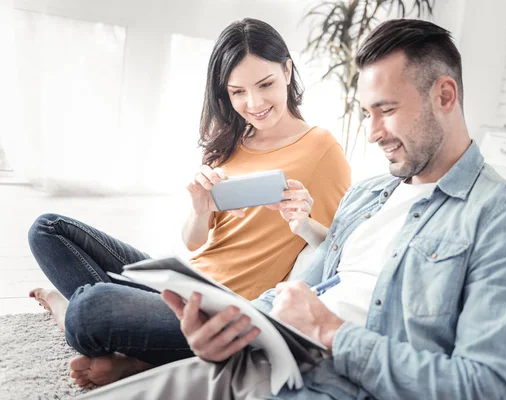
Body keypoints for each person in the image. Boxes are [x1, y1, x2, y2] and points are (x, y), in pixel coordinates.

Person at [75, 18, 506, 400]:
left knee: (93, 309)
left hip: (328, 381)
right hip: (254, 359)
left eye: (386, 110)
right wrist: (221, 335)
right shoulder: (369, 195)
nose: (373, 132)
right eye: (367, 113)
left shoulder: (501, 221)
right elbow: (297, 286)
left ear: (445, 95)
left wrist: (331, 332)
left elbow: (491, 386)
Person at [27, 18, 351, 388]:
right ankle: (134, 351)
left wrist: (304, 222)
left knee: (89, 307)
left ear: (288, 71)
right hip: (184, 281)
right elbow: (196, 243)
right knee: (46, 229)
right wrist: (200, 208)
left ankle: (79, 316)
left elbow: (341, 250)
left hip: (220, 311)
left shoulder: (322, 149)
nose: (254, 103)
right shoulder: (230, 143)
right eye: (238, 92)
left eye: (265, 85)